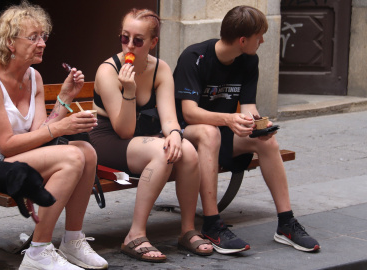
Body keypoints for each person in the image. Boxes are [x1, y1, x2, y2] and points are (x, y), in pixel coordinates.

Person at [0, 2, 108, 269]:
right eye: (33, 37)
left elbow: (38, 134)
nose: (42, 43)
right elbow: (6, 145)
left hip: (9, 160)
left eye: (43, 36)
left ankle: (72, 241)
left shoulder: (33, 76)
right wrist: (60, 128)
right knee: (71, 156)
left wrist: (64, 98)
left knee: (87, 151)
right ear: (10, 43)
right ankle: (38, 252)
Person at [173, 5, 320, 254]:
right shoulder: (194, 57)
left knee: (267, 142)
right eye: (259, 36)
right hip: (185, 135)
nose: (262, 40)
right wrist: (228, 119)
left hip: (223, 134)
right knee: (210, 133)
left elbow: (248, 106)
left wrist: (259, 125)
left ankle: (286, 223)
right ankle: (211, 224)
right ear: (243, 40)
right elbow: (189, 112)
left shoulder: (249, 60)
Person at [89, 8, 212, 263]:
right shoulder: (108, 71)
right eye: (125, 38)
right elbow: (124, 130)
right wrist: (129, 90)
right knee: (163, 151)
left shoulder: (160, 69)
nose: (129, 46)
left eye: (138, 40)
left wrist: (176, 134)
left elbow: (168, 118)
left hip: (139, 139)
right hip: (107, 138)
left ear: (153, 43)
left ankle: (187, 230)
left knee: (187, 150)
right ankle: (134, 235)